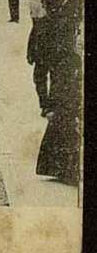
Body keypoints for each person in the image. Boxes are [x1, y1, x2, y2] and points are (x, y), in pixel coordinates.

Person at [36, 50, 81, 186]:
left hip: (70, 62)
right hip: (61, 65)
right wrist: (46, 106)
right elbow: (40, 73)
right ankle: (65, 168)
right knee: (64, 118)